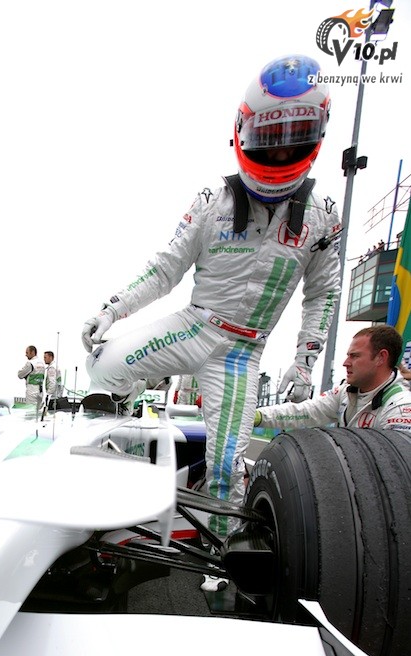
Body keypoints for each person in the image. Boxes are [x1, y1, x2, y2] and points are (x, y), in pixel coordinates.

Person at [81, 54, 341, 541]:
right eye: (271, 139)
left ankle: (220, 563)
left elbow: (323, 292)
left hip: (243, 353)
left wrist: (305, 362)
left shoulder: (323, 216)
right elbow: (165, 269)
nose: (281, 153)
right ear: (242, 132)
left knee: (226, 471)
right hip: (195, 325)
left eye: (294, 141)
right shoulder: (211, 201)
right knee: (100, 365)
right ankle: (123, 420)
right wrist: (111, 310)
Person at [255, 325, 411, 432]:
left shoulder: (401, 407)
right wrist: (256, 416)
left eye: (355, 356)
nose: (345, 363)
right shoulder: (345, 392)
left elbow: (395, 465)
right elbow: (305, 412)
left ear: (381, 357)